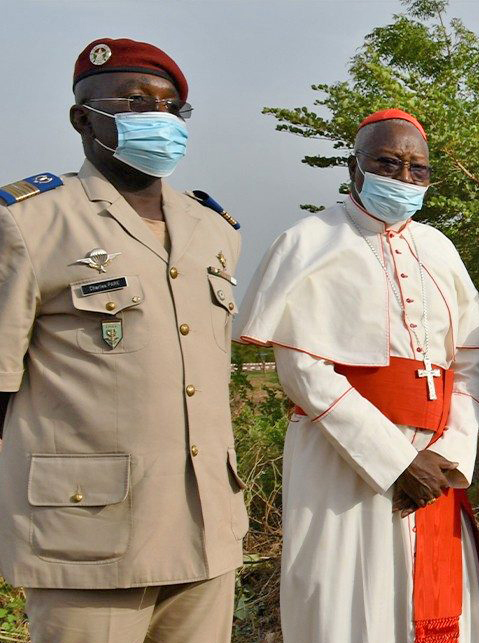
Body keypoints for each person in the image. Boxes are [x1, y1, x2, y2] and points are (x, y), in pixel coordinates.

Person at [0, 37, 245, 643]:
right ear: (84, 119)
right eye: (136, 104)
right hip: (89, 539)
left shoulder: (213, 229)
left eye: (171, 109)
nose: (158, 120)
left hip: (206, 529)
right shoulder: (29, 223)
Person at [236, 109, 479, 643]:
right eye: (388, 163)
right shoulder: (309, 241)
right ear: (354, 167)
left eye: (417, 169)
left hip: (436, 461)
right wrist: (397, 460)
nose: (404, 178)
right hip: (341, 461)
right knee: (348, 604)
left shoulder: (440, 249)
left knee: (436, 606)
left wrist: (447, 454)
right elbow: (303, 368)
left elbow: (468, 361)